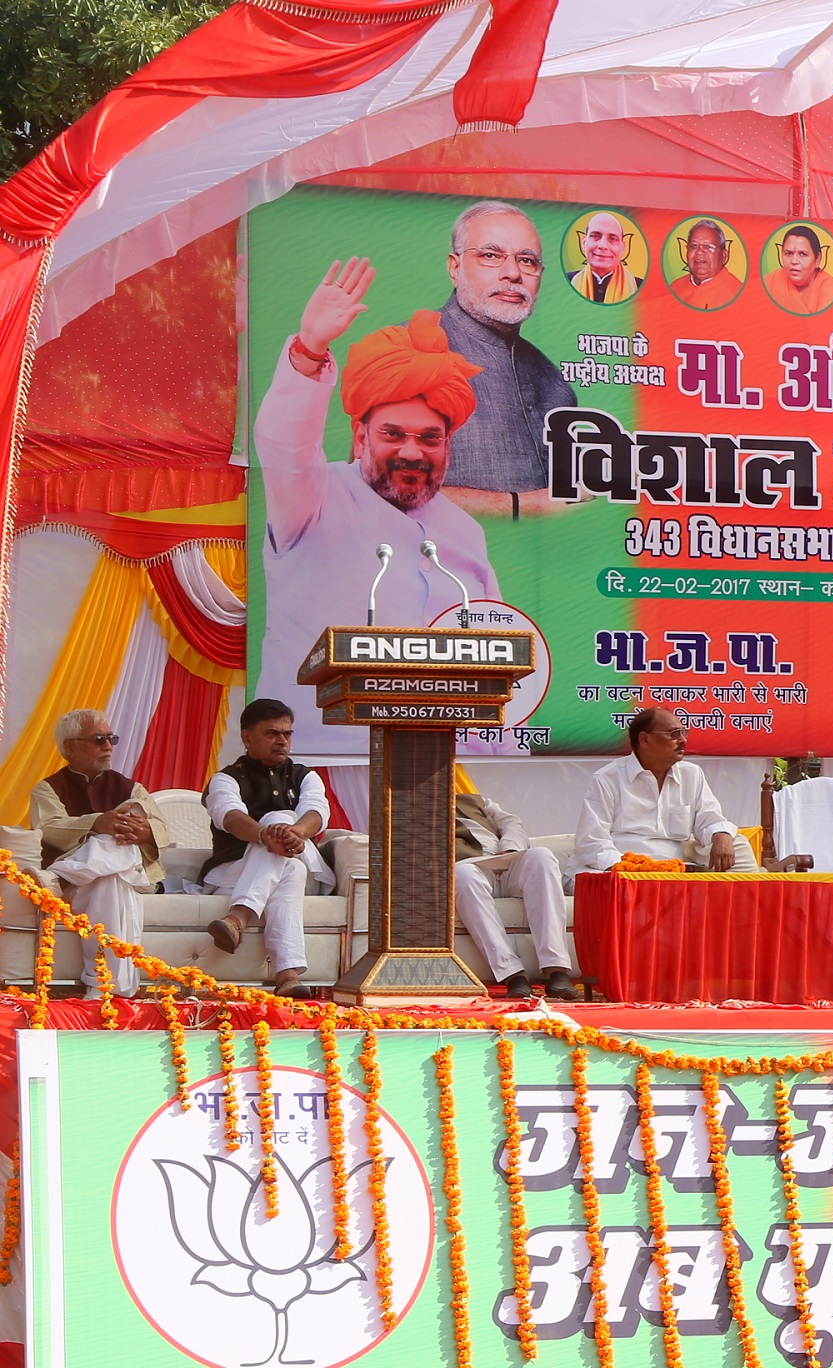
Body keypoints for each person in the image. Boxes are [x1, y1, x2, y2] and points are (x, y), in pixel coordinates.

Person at [253, 256, 499, 756]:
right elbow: (283, 445)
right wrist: (309, 349)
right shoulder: (312, 499)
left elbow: (491, 663)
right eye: (393, 434)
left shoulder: (465, 535)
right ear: (360, 435)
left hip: (440, 764)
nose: (412, 451)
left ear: (448, 445)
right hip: (320, 761)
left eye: (429, 438)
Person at [436, 200, 577, 515]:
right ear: (454, 267)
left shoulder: (555, 383)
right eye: (490, 255)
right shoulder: (406, 350)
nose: (513, 273)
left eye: (527, 261)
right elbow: (372, 493)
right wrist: (518, 507)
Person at [28, 710, 167, 998]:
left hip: (109, 876)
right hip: (94, 885)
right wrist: (96, 823)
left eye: (111, 738)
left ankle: (69, 870)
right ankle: (107, 985)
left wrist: (143, 833)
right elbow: (48, 828)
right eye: (99, 739)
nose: (108, 746)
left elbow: (162, 828)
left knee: (111, 843)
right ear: (70, 747)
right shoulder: (47, 789)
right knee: (107, 874)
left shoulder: (131, 788)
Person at [198, 699, 330, 999]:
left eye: (287, 733)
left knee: (281, 824)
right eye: (272, 733)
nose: (282, 740)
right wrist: (263, 835)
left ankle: (238, 918)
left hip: (293, 867)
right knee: (288, 862)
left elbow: (317, 812)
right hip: (233, 873)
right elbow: (229, 816)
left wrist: (294, 832)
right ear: (247, 737)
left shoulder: (305, 776)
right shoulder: (226, 779)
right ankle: (288, 975)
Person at [572, 709, 756, 874]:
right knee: (600, 883)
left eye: (684, 733)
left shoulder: (691, 774)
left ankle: (735, 910)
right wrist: (630, 868)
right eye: (674, 734)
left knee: (737, 845)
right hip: (622, 865)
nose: (683, 740)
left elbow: (709, 820)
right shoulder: (607, 778)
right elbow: (592, 841)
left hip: (671, 867)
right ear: (645, 739)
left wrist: (721, 835)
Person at [454, 791, 577, 1001]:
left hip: (507, 860)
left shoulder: (475, 800)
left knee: (541, 856)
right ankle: (513, 975)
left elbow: (511, 822)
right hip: (468, 868)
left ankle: (556, 969)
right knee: (460, 874)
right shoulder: (410, 811)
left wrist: (510, 848)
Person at [566, 211, 641, 304]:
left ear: (622, 247)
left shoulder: (640, 287)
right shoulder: (567, 282)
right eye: (595, 236)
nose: (603, 245)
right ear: (584, 243)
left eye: (612, 239)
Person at [764, 225, 833, 315]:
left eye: (803, 254)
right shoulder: (771, 281)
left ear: (817, 259)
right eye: (788, 253)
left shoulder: (831, 288)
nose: (794, 261)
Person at [669, 219, 743, 309]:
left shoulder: (738, 293)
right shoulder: (675, 288)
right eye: (693, 246)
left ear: (724, 256)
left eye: (709, 247)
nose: (699, 252)